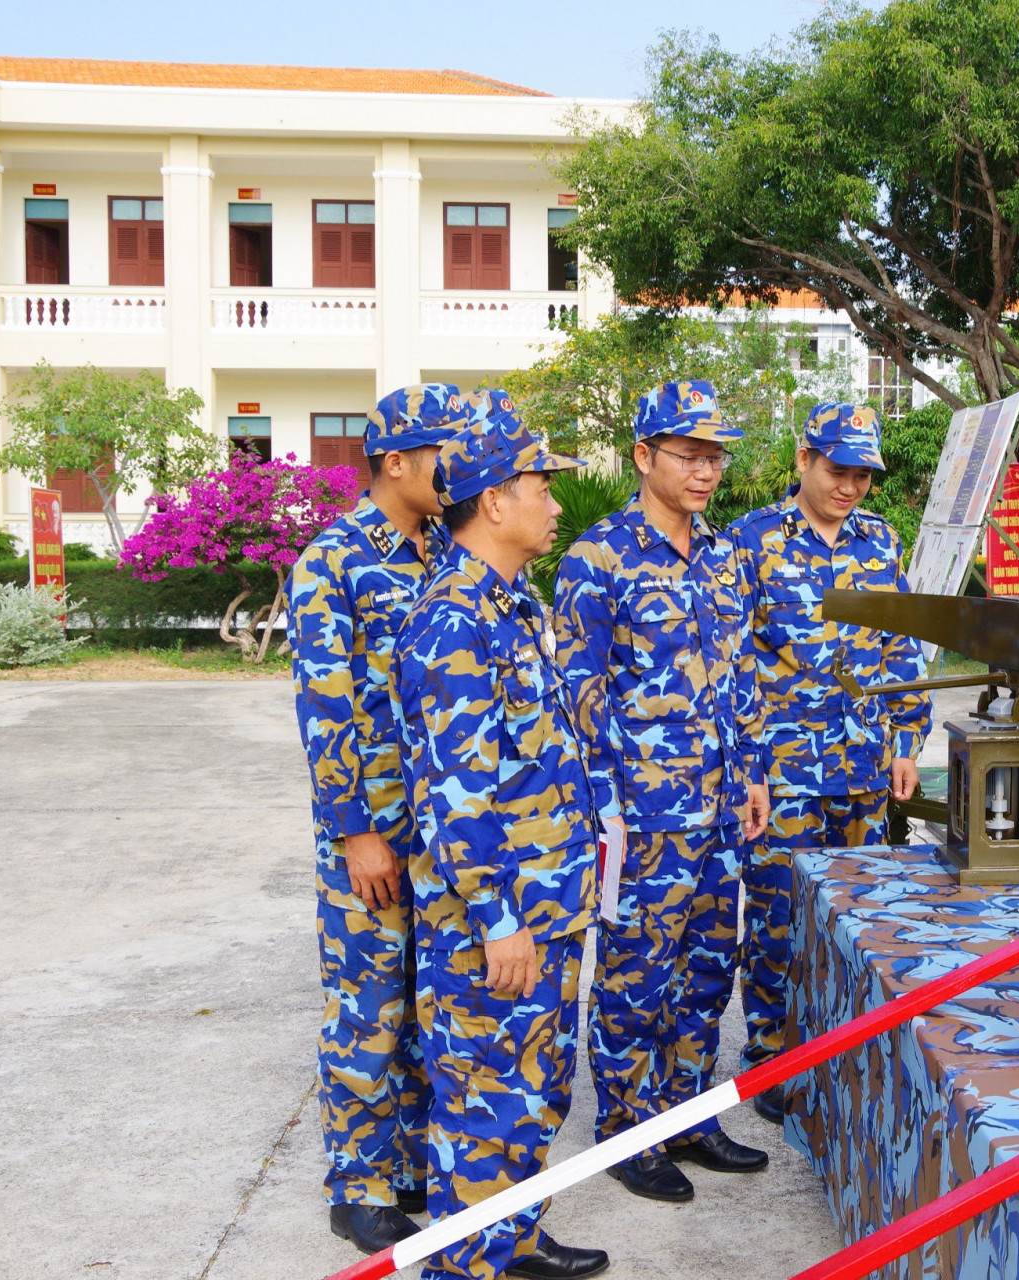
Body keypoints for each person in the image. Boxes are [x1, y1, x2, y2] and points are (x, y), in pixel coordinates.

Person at [394, 393, 608, 1279]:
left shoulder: (515, 607)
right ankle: (465, 1262)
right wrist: (497, 920)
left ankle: (513, 1239)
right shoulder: (454, 623)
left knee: (534, 1099)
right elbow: (455, 796)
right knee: (484, 1110)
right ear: (493, 501)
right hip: (499, 927)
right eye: (542, 488)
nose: (557, 506)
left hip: (547, 910)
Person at [553, 378, 773, 1205]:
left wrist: (751, 772)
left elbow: (741, 673)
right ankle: (627, 1127)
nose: (705, 470)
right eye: (688, 454)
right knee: (637, 971)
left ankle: (687, 1112)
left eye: (715, 455)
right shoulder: (597, 558)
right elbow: (579, 690)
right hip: (643, 814)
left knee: (710, 969)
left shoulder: (722, 556)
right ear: (644, 456)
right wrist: (612, 806)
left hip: (720, 807)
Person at [289, 383, 469, 1255]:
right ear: (396, 462)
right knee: (366, 1003)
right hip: (374, 825)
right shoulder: (329, 561)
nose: (457, 466)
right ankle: (356, 1183)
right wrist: (355, 829)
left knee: (423, 998)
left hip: (441, 823)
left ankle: (406, 1165)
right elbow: (324, 710)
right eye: (444, 451)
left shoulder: (444, 550)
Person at [727, 402, 931, 1121]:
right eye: (838, 471)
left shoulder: (880, 541)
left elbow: (901, 646)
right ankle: (770, 1054)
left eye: (863, 477)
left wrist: (906, 740)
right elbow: (733, 664)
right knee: (779, 914)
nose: (850, 488)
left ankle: (841, 1043)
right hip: (783, 771)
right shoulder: (750, 541)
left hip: (864, 767)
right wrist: (747, 765)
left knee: (854, 912)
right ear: (803, 459)